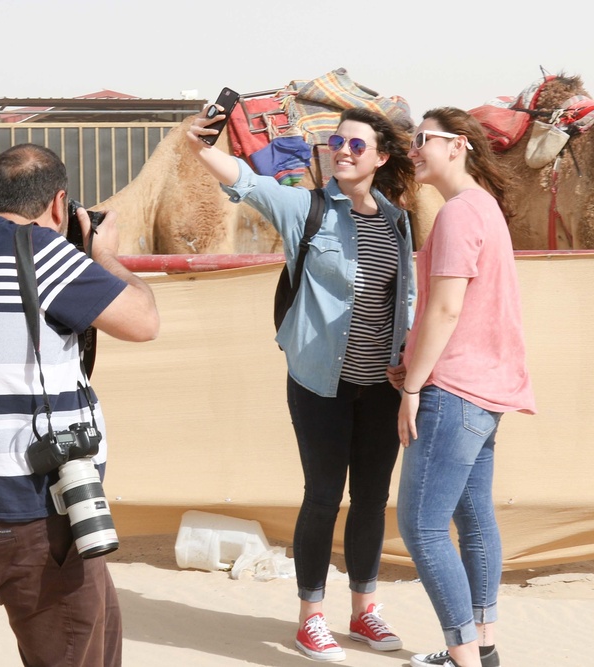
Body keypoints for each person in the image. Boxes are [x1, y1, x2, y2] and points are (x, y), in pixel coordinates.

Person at [0, 143, 159, 667]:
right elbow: (144, 321)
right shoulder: (44, 254)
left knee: (97, 636)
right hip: (30, 514)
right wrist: (104, 253)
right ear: (58, 202)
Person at [187, 105, 416, 662]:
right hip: (319, 383)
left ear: (380, 158)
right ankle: (310, 618)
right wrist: (199, 145)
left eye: (356, 145)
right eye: (337, 142)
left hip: (381, 384)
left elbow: (401, 296)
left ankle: (364, 610)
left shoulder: (396, 220)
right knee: (322, 497)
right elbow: (243, 179)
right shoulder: (305, 208)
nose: (342, 150)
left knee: (371, 500)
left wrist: (405, 356)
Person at [395, 108, 537, 667]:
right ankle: (484, 645)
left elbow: (447, 307)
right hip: (484, 390)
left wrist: (411, 384)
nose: (414, 149)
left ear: (456, 145)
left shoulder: (458, 213)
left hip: (454, 390)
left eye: (422, 140)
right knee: (474, 519)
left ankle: (462, 656)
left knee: (423, 525)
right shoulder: (484, 209)